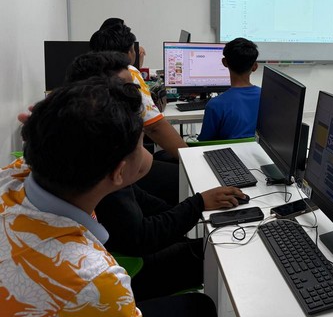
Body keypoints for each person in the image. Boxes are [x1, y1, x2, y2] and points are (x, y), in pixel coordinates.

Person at [0, 77, 217, 317]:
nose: (145, 149)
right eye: (141, 142)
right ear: (118, 173)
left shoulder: (12, 174)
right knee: (200, 307)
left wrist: (45, 125)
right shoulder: (96, 281)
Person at [63, 54, 247, 300]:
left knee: (199, 242)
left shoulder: (83, 139)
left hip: (118, 250)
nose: (136, 96)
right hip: (128, 267)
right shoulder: (104, 156)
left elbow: (136, 198)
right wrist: (196, 205)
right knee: (216, 253)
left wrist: (191, 209)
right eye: (127, 88)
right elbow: (140, 237)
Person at [90, 23, 186, 204]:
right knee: (187, 179)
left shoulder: (85, 74)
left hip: (94, 169)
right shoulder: (129, 74)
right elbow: (155, 127)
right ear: (130, 53)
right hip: (120, 171)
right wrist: (190, 158)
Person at [199, 38, 261, 141]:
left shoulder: (215, 104)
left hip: (228, 151)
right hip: (259, 149)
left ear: (224, 62)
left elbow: (205, 142)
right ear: (255, 66)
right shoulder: (267, 97)